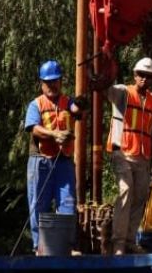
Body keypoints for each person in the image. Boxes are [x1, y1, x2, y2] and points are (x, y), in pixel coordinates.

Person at [24, 59, 88, 254]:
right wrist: (55, 135)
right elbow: (33, 128)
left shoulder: (66, 101)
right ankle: (39, 247)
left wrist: (80, 104)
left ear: (61, 81)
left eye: (55, 81)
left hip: (63, 162)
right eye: (47, 82)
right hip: (40, 161)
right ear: (41, 83)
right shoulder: (36, 105)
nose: (52, 85)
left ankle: (67, 246)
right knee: (39, 204)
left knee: (67, 202)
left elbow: (76, 111)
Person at [105, 57, 152, 255]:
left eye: (148, 76)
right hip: (122, 152)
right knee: (126, 191)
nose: (144, 79)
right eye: (141, 75)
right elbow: (109, 91)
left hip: (143, 157)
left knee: (140, 197)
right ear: (134, 75)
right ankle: (118, 243)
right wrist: (105, 75)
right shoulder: (123, 92)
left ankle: (130, 240)